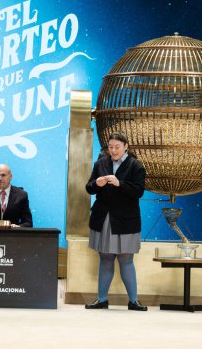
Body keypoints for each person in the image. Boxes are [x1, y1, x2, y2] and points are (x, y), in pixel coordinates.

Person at [85, 132, 148, 311]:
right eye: (110, 147)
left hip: (126, 220)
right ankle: (102, 299)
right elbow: (89, 188)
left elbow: (138, 191)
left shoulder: (136, 165)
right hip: (103, 217)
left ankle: (133, 300)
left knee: (126, 259)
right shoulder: (100, 163)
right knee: (105, 258)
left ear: (126, 146)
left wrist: (120, 183)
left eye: (117, 147)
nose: (113, 151)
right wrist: (96, 183)